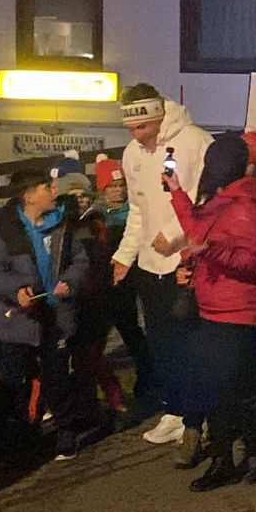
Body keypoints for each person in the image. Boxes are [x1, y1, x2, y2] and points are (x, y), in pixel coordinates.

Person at [167, 133, 256, 490]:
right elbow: (196, 229)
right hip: (212, 307)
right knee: (216, 388)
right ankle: (226, 457)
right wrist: (177, 193)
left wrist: (209, 251)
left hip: (238, 310)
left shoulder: (244, 204)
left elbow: (253, 262)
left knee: (233, 388)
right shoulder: (222, 199)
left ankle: (253, 452)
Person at [111, 84, 212, 447]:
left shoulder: (195, 141)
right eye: (130, 129)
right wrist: (125, 255)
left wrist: (173, 236)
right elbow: (137, 210)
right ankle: (175, 409)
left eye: (141, 127)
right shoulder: (133, 152)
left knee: (190, 342)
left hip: (186, 260)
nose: (136, 136)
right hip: (150, 263)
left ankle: (199, 415)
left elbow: (205, 201)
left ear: (157, 115)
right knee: (161, 342)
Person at [0, 168, 89, 458]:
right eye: (47, 187)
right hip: (19, 318)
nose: (54, 191)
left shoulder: (62, 226)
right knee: (11, 380)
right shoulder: (6, 229)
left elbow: (80, 261)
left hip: (56, 316)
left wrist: (69, 281)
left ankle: (65, 432)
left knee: (57, 378)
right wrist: (17, 290)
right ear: (29, 195)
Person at [56, 167, 124, 432]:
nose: (80, 201)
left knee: (90, 356)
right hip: (68, 299)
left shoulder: (96, 224)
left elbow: (100, 261)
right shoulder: (60, 226)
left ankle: (108, 401)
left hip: (94, 298)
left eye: (84, 195)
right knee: (66, 358)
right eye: (74, 196)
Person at [95, 156, 153, 420]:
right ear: (102, 189)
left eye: (121, 186)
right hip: (99, 286)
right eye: (113, 186)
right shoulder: (95, 216)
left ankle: (147, 379)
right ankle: (106, 390)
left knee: (131, 332)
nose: (118, 191)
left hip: (125, 285)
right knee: (95, 342)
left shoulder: (133, 215)